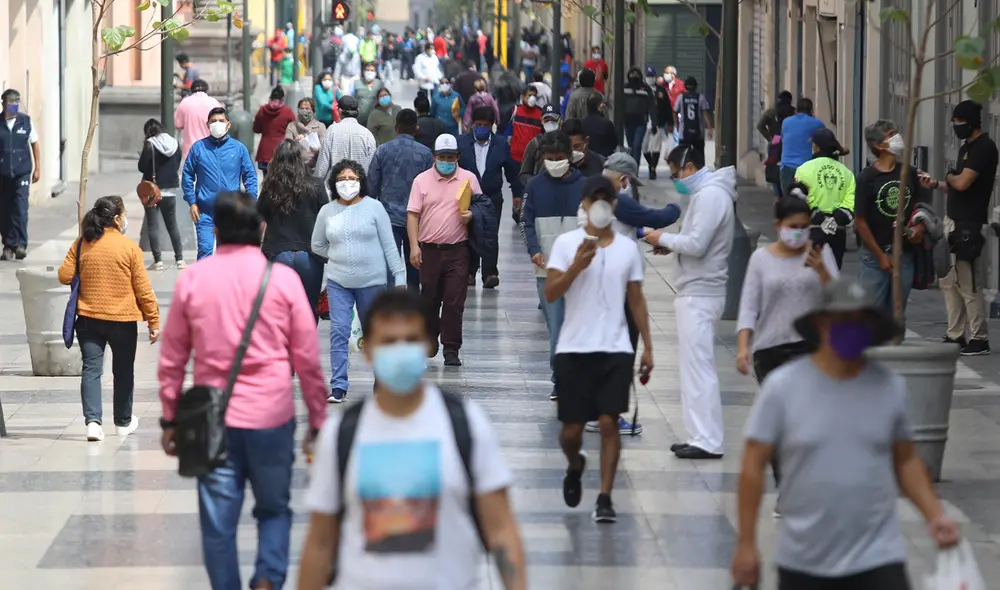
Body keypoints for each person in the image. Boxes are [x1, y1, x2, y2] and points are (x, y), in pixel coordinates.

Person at [732, 279, 962, 590]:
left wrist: (935, 515)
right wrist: (746, 543)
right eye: (842, 321)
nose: (851, 328)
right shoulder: (783, 387)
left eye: (859, 322)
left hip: (878, 557)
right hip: (803, 559)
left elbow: (906, 461)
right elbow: (752, 466)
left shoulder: (889, 387)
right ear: (821, 324)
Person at [297, 289, 526, 590]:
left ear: (428, 346)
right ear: (368, 350)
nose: (400, 350)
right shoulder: (342, 434)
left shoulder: (465, 425)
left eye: (410, 340)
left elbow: (500, 530)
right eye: (389, 342)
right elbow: (320, 543)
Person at [158, 191, 328, 590]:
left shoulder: (194, 280)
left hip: (212, 421)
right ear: (262, 229)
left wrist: (169, 418)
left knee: (218, 522)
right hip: (272, 417)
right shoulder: (282, 281)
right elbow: (307, 359)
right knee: (273, 509)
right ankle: (269, 577)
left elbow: (172, 360)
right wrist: (318, 420)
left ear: (215, 230)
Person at [545, 175, 653, 523]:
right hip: (574, 348)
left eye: (609, 199)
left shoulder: (627, 248)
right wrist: (577, 265)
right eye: (596, 199)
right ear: (585, 205)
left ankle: (605, 496)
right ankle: (575, 464)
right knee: (571, 431)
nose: (602, 205)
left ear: (615, 205)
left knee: (608, 421)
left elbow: (636, 300)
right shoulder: (566, 243)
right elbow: (551, 293)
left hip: (615, 347)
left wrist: (648, 348)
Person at [735, 197, 838, 503]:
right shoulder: (761, 260)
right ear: (778, 226)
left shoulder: (820, 253)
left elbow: (838, 298)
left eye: (805, 228)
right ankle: (786, 488)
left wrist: (821, 272)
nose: (799, 233)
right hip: (770, 350)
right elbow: (748, 306)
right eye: (793, 227)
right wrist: (743, 347)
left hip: (811, 349)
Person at [642, 145, 736, 460]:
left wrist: (663, 238)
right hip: (696, 290)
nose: (675, 179)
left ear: (691, 167)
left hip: (701, 292)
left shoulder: (711, 196)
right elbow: (697, 242)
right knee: (694, 368)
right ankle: (699, 435)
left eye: (676, 172)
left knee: (700, 369)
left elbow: (696, 244)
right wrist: (672, 247)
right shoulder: (707, 195)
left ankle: (708, 440)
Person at [578, 153, 679, 436]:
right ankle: (608, 414)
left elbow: (626, 228)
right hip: (618, 291)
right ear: (624, 179)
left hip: (598, 288)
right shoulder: (617, 200)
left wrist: (646, 237)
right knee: (621, 353)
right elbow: (657, 216)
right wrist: (677, 206)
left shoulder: (595, 198)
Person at [57, 195, 157, 442]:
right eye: (123, 214)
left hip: (88, 319)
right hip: (123, 321)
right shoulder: (130, 248)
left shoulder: (82, 243)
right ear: (115, 219)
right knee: (123, 371)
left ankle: (93, 423)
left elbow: (63, 275)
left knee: (91, 369)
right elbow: (143, 289)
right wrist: (153, 321)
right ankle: (122, 422)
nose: (125, 220)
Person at [312, 160, 404, 402]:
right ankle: (339, 386)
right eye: (341, 179)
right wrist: (335, 256)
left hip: (372, 282)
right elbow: (317, 244)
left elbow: (390, 247)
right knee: (339, 331)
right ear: (333, 183)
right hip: (338, 282)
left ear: (361, 181)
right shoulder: (327, 211)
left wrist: (401, 277)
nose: (347, 183)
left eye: (352, 178)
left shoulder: (375, 208)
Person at [919, 100, 999, 355]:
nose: (955, 126)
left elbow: (963, 182)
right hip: (953, 219)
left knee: (968, 283)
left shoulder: (984, 148)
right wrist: (936, 183)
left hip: (969, 224)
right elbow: (955, 183)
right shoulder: (967, 147)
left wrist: (952, 176)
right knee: (948, 281)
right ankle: (955, 334)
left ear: (971, 122)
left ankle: (979, 337)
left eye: (957, 122)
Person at [521, 131, 587, 398]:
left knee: (580, 324)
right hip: (546, 269)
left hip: (580, 271)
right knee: (556, 326)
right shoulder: (535, 186)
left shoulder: (585, 186)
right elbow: (526, 222)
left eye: (560, 158)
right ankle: (560, 378)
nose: (555, 162)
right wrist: (534, 251)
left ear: (570, 158)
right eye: (550, 158)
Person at [407, 134, 482, 367]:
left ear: (458, 157)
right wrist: (413, 246)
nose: (446, 161)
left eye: (451, 157)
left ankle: (451, 348)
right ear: (434, 157)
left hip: (458, 250)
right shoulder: (421, 180)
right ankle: (429, 339)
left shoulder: (469, 179)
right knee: (429, 298)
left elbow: (483, 207)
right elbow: (412, 214)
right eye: (442, 157)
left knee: (454, 300)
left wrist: (473, 214)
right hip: (430, 250)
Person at [853, 119, 925, 318]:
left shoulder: (908, 172)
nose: (897, 138)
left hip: (904, 254)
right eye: (890, 135)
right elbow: (859, 220)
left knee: (896, 312)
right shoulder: (867, 178)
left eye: (896, 132)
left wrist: (919, 227)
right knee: (871, 312)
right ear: (878, 145)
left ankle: (894, 346)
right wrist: (879, 255)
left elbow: (919, 207)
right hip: (875, 257)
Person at [258, 140, 328, 317]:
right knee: (309, 308)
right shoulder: (316, 185)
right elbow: (327, 218)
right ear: (300, 159)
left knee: (279, 310)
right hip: (310, 255)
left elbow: (258, 219)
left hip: (278, 253)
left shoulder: (269, 187)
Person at [368, 108, 435, 292]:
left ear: (396, 128)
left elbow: (371, 187)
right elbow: (432, 188)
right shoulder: (426, 154)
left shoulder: (382, 151)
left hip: (388, 219)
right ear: (417, 128)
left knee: (390, 266)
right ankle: (412, 304)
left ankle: (391, 304)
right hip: (417, 220)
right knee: (415, 264)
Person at [458, 106, 523, 289]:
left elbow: (511, 170)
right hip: (468, 197)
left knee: (490, 235)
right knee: (467, 234)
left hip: (492, 197)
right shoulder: (461, 143)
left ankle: (490, 273)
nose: (482, 128)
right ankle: (469, 272)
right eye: (478, 124)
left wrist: (517, 194)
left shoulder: (501, 144)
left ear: (492, 126)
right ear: (472, 124)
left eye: (486, 125)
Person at [182, 107, 259, 260]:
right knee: (205, 251)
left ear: (228, 125)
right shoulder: (198, 148)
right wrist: (192, 202)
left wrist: (248, 202)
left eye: (221, 121)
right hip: (205, 212)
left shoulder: (238, 149)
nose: (217, 124)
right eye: (213, 121)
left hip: (231, 212)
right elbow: (187, 175)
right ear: (207, 124)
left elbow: (250, 176)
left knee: (230, 255)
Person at [792, 128, 855, 268]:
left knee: (810, 275)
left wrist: (819, 216)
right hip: (837, 230)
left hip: (812, 229)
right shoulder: (847, 172)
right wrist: (835, 219)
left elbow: (800, 198)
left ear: (816, 147)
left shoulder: (803, 169)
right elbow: (851, 201)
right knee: (832, 274)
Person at [137, 118, 185, 270]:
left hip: (152, 190)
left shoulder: (150, 144)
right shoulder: (174, 143)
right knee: (172, 225)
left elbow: (142, 167)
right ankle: (179, 259)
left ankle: (158, 261)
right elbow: (177, 164)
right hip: (170, 189)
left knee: (153, 225)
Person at [0, 89, 40, 261]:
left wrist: (37, 168)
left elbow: (35, 144)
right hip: (2, 174)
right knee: (4, 210)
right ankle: (8, 245)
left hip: (22, 172)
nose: (14, 105)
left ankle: (20, 244)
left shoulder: (26, 122)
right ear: (3, 104)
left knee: (20, 209)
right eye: (11, 102)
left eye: (17, 102)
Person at [314, 95, 377, 180]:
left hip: (334, 188)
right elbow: (372, 168)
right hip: (358, 188)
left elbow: (321, 168)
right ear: (358, 111)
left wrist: (315, 185)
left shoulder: (332, 131)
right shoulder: (367, 134)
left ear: (339, 111)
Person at [779, 97, 825, 195]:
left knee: (788, 200)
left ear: (796, 110)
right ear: (811, 110)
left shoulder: (786, 122)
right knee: (806, 199)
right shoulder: (817, 123)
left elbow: (783, 138)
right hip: (806, 167)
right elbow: (824, 140)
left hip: (787, 166)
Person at [173, 79, 223, 165]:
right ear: (206, 90)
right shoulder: (214, 102)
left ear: (191, 90)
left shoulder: (185, 102)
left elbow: (177, 124)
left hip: (190, 149)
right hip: (211, 149)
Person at [253, 86, 296, 176]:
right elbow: (294, 130)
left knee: (266, 181)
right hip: (281, 151)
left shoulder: (262, 110)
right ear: (283, 98)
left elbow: (256, 129)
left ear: (270, 98)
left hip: (264, 152)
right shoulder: (287, 112)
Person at [516, 104, 562, 188]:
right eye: (546, 120)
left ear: (560, 120)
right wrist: (536, 185)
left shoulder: (566, 142)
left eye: (553, 120)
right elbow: (524, 174)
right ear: (541, 121)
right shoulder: (534, 144)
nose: (550, 122)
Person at [284, 97, 328, 172]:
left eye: (307, 108)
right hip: (296, 168)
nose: (304, 111)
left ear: (313, 111)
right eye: (302, 108)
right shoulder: (291, 125)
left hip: (314, 168)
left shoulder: (320, 126)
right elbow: (287, 147)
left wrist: (307, 141)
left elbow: (323, 148)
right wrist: (296, 141)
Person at [673, 76, 713, 156]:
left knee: (683, 157)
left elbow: (674, 112)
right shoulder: (701, 98)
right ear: (695, 86)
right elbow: (706, 113)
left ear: (685, 86)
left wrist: (677, 125)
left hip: (684, 134)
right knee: (699, 157)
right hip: (698, 134)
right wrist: (709, 128)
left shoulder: (681, 98)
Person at [623, 67, 654, 166]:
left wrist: (654, 122)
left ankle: (635, 167)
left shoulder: (645, 88)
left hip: (641, 121)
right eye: (632, 74)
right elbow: (619, 104)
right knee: (631, 146)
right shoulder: (624, 87)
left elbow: (652, 105)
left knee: (637, 144)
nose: (634, 76)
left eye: (636, 74)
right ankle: (632, 166)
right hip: (628, 121)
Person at [510, 86, 544, 164]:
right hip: (515, 158)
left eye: (534, 96)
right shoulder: (515, 110)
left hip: (533, 158)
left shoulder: (540, 113)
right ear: (523, 97)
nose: (532, 98)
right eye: (530, 95)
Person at [354, 62, 385, 127]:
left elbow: (384, 100)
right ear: (364, 71)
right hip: (359, 119)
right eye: (367, 70)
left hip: (375, 119)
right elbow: (350, 99)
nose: (369, 72)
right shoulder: (356, 83)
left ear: (375, 72)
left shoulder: (380, 84)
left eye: (372, 70)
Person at [335, 29, 362, 95]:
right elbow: (338, 68)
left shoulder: (356, 56)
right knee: (345, 94)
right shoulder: (342, 56)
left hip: (354, 76)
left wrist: (359, 78)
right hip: (345, 77)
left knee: (354, 94)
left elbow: (358, 68)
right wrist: (336, 79)